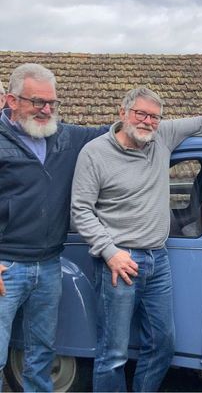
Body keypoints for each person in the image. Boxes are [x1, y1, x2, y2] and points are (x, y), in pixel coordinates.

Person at [70, 87, 202, 392]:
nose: (148, 122)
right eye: (141, 114)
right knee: (113, 353)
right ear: (123, 113)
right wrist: (110, 252)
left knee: (163, 345)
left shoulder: (161, 137)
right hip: (119, 262)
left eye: (154, 116)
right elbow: (81, 210)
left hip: (157, 258)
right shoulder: (95, 153)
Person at [0, 63, 108, 392]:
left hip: (49, 265)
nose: (47, 110)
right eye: (38, 102)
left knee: (41, 354)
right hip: (6, 267)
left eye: (52, 103)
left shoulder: (65, 136)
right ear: (12, 100)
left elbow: (122, 129)